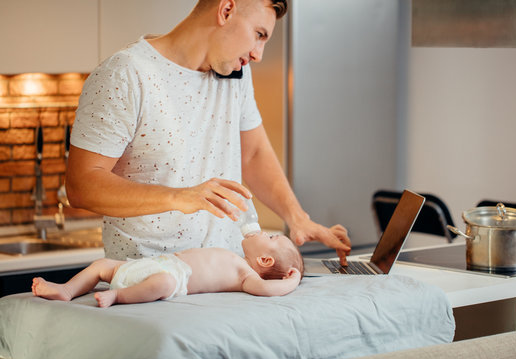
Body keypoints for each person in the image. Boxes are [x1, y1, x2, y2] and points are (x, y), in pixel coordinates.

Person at [65, 0, 351, 264]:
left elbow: (252, 154)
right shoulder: (127, 73)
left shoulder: (235, 75)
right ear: (226, 10)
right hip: (149, 282)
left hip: (225, 277)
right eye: (259, 34)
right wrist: (180, 197)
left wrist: (298, 218)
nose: (258, 54)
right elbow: (82, 185)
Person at [32, 232, 304, 308]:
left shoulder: (247, 276)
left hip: (174, 277)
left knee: (162, 284)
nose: (264, 234)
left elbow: (268, 290)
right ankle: (67, 290)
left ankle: (119, 297)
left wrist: (293, 280)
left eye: (271, 238)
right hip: (159, 262)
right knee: (104, 265)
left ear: (265, 262)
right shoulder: (235, 256)